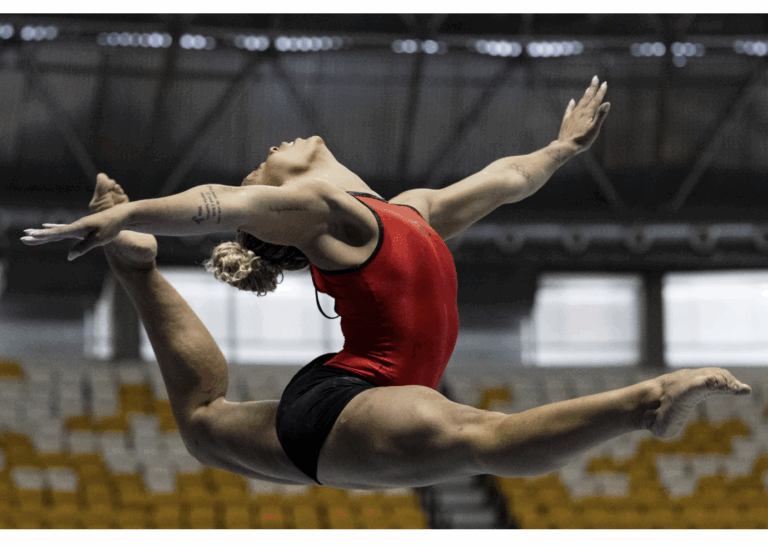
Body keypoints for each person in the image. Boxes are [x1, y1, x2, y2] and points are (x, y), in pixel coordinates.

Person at [22, 76, 752, 490]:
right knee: (482, 439)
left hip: (354, 396)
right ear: (278, 197)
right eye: (265, 159)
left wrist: (560, 149)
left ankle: (137, 272)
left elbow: (504, 180)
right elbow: (221, 201)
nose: (274, 148)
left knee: (205, 425)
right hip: (361, 398)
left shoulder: (409, 213)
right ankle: (646, 401)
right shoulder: (322, 214)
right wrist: (133, 215)